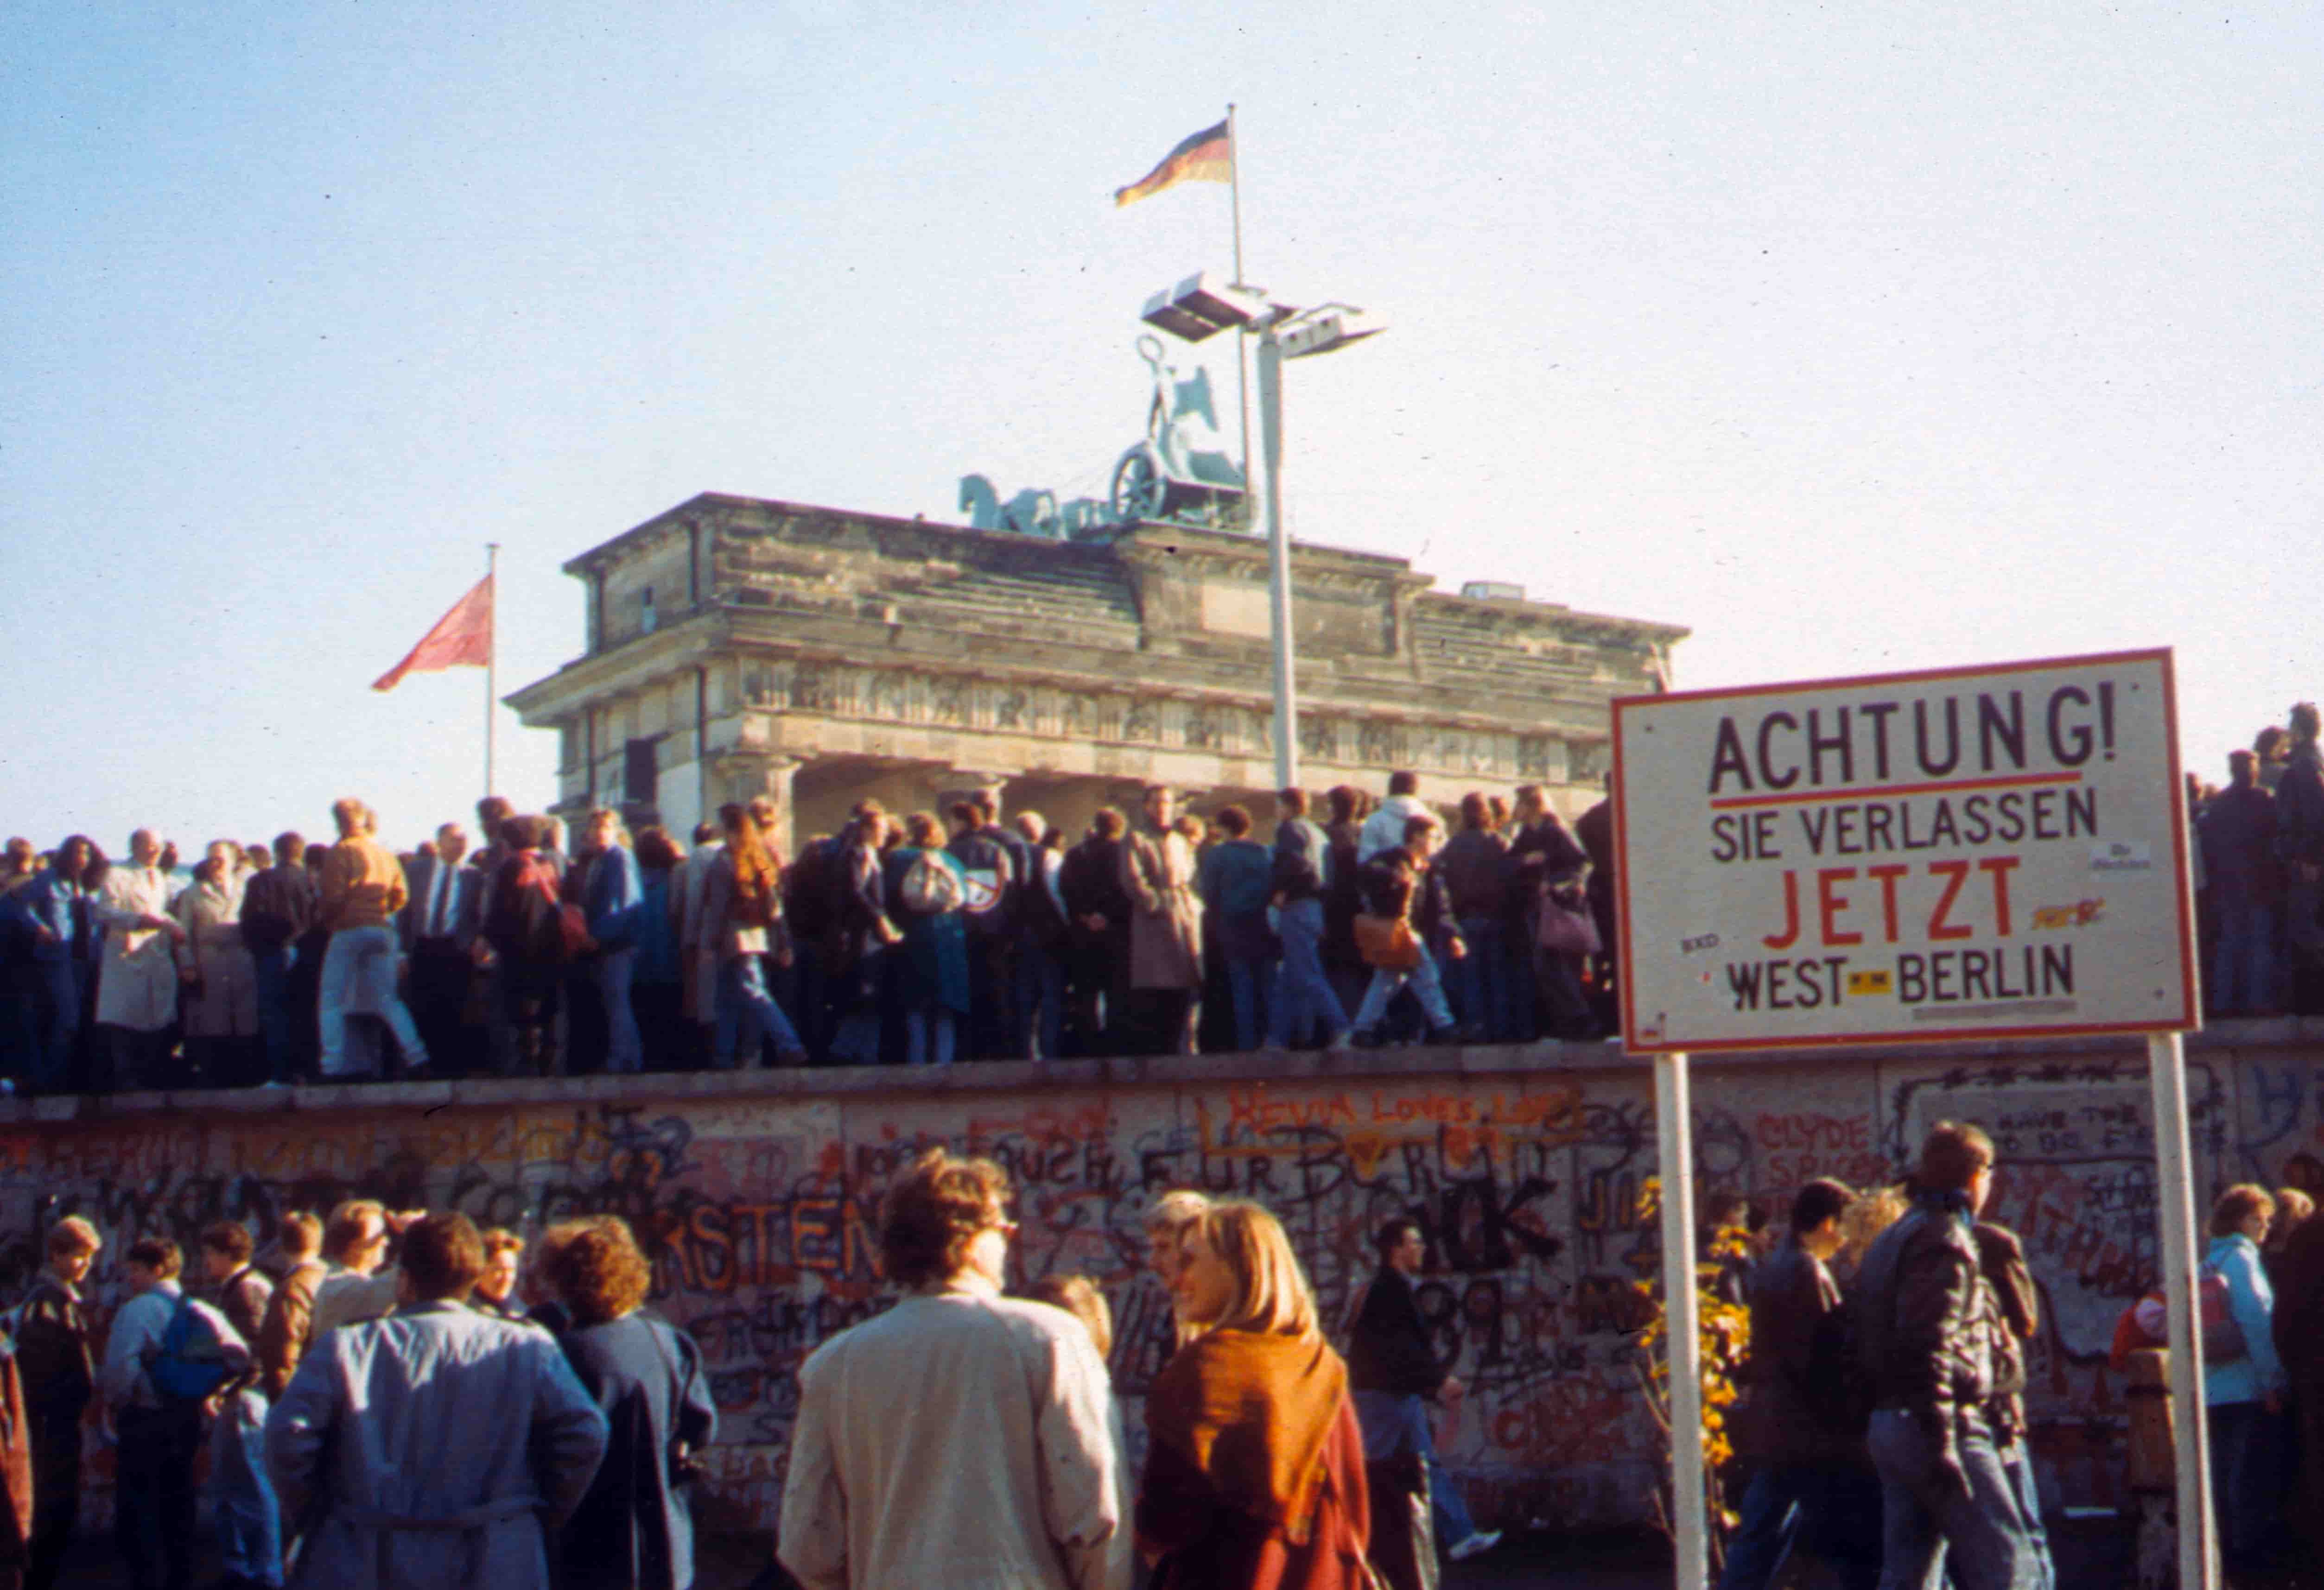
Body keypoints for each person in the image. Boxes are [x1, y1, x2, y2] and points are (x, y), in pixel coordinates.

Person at [777, 1148, 1130, 1590]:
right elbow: (1094, 1509)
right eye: (1002, 1228)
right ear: (969, 1239)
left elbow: (807, 1540)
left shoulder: (834, 1364)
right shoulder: (1050, 1338)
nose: (1009, 1240)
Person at [264, 1211, 610, 1590]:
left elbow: (286, 1437)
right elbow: (586, 1432)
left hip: (364, 1553)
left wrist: (316, 1514)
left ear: (404, 1278)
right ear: (474, 1276)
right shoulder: (527, 1345)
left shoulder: (347, 1346)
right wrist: (541, 1510)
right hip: (495, 1555)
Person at [1137, 1199, 1372, 1588]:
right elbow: (1355, 1515)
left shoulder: (1203, 1370)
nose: (1178, 1278)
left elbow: (1163, 1521)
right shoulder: (1324, 1366)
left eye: (1191, 1260)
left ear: (1236, 1266)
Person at [1849, 1123, 2039, 1590]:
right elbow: (1929, 1341)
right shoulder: (1945, 1237)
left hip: (1891, 1420)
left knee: (1910, 1574)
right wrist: (1943, 1440)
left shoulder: (1893, 1236)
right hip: (1942, 1421)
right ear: (1977, 1174)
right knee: (2010, 1566)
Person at [1717, 1179, 1879, 1590]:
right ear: (1827, 1223)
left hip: (1784, 1423)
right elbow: (1820, 1355)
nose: (1845, 1241)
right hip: (1807, 1427)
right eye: (1843, 1228)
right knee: (1842, 1532)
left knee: (1767, 1525)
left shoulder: (1780, 1263)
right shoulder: (1804, 1269)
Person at [544, 1218, 718, 1590]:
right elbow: (702, 1427)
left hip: (587, 1541)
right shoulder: (669, 1342)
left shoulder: (560, 1353)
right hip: (664, 1538)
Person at [1346, 1218, 1499, 1565]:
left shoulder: (1396, 1287)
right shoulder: (1389, 1290)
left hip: (1397, 1394)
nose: (1422, 1247)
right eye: (1414, 1242)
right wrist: (1438, 1381)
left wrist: (1432, 1381)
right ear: (1396, 1250)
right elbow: (1399, 1349)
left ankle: (1460, 1535)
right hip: (1381, 1396)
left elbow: (1405, 1348)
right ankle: (1346, 1537)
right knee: (1370, 1466)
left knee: (1425, 1464)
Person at [102, 1235, 251, 1590]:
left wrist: (132, 1397)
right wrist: (208, 1392)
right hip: (184, 1420)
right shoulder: (201, 1309)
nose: (130, 1278)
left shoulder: (137, 1310)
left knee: (139, 1515)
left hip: (144, 1422)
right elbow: (240, 1358)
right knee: (178, 1510)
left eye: (136, 1270)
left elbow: (118, 1370)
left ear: (156, 1270)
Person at [2204, 1183, 2292, 1584]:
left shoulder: (2209, 1259)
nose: (2266, 1228)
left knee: (2221, 1479)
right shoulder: (2242, 1260)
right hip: (2245, 1385)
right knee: (2249, 1480)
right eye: (2260, 1218)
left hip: (2212, 1388)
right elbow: (2257, 1320)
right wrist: (2272, 1380)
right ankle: (2249, 1566)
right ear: (2243, 1220)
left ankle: (2226, 1563)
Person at [316, 798, 430, 1080]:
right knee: (388, 999)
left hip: (349, 929)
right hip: (382, 930)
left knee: (331, 999)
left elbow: (332, 898)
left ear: (339, 821)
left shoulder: (340, 852)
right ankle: (417, 1057)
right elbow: (400, 895)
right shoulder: (384, 853)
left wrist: (331, 920)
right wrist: (380, 911)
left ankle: (332, 1066)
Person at [16, 1216, 100, 1590]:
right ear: (57, 1255)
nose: (87, 1265)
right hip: (51, 1428)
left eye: (89, 1257)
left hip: (54, 1425)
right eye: (80, 1256)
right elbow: (42, 1373)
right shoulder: (48, 1303)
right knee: (51, 1515)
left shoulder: (57, 1299)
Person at [198, 1220, 282, 1590]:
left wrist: (225, 1389)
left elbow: (255, 1353)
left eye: (209, 1253)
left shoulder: (247, 1289)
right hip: (241, 1394)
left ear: (224, 1254)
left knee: (250, 1484)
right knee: (233, 1484)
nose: (205, 1261)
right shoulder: (241, 1286)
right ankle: (244, 1566)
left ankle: (263, 1570)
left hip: (247, 1397)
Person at [1971, 1221, 2054, 1590]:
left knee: (2016, 1523)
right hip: (1995, 1410)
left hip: (1987, 1412)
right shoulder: (1987, 1246)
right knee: (2021, 1522)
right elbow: (2025, 1320)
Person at [701, 805, 805, 1069]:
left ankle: (789, 1044)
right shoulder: (759, 857)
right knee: (729, 996)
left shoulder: (723, 860)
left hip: (731, 937)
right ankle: (724, 1057)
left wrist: (710, 941)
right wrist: (783, 941)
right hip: (756, 936)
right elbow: (775, 906)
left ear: (729, 828)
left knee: (751, 992)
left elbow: (718, 906)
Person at [1349, 816, 1462, 1048]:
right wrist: (1395, 877)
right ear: (1417, 837)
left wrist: (1452, 934)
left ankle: (1362, 1029)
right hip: (1397, 929)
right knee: (1427, 977)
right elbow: (1367, 873)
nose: (1436, 842)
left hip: (1406, 930)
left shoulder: (1429, 869)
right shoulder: (1392, 859)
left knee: (1387, 981)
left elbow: (1441, 907)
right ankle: (1445, 1026)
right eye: (1433, 837)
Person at [3, 836, 100, 1094]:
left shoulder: (86, 886)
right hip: (56, 961)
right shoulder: (48, 880)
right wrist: (39, 927)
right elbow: (15, 904)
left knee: (76, 1022)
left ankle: (64, 1080)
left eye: (87, 854)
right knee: (62, 1021)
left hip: (83, 961)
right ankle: (48, 1081)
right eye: (78, 853)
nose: (82, 859)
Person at [93, 827, 184, 1090]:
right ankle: (125, 1078)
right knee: (123, 1017)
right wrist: (136, 920)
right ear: (134, 847)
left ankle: (150, 1075)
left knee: (155, 1016)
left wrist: (176, 927)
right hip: (126, 953)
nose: (156, 851)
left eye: (159, 846)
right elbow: (103, 911)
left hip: (154, 953)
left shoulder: (159, 876)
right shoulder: (118, 874)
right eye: (149, 846)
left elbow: (161, 912)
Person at [883, 812, 970, 1067]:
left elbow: (888, 898)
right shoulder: (953, 861)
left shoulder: (897, 859)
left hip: (913, 938)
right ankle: (944, 1063)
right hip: (948, 938)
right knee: (946, 1008)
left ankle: (916, 1062)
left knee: (915, 1007)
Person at [1123, 786, 1204, 1057]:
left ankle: (1180, 1050)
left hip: (1182, 917)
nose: (1162, 808)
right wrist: (1155, 904)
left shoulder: (1180, 841)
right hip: (1155, 921)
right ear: (1146, 806)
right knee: (1156, 988)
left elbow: (1189, 875)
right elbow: (1133, 879)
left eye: (1167, 803)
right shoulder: (1136, 839)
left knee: (1184, 987)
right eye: (1157, 803)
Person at [1268, 789, 1350, 1052]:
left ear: (1289, 806)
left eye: (1279, 806)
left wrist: (1282, 890)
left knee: (1307, 973)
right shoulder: (1318, 833)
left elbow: (1292, 863)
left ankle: (1341, 1028)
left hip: (1297, 906)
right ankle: (1277, 1039)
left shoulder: (1290, 830)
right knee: (1288, 978)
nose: (1277, 811)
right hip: (1315, 908)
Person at [2201, 749, 2282, 1017]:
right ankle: (2258, 1002)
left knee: (2230, 945)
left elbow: (2210, 848)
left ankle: (2224, 1004)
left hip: (2227, 884)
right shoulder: (2264, 800)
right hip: (2259, 882)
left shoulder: (2219, 805)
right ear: (2253, 770)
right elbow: (2275, 839)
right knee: (2259, 944)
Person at [400, 822, 485, 1075]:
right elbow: (403, 912)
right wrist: (401, 952)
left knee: (454, 1009)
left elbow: (479, 914)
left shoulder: (473, 876)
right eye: (454, 839)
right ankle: (424, 1068)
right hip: (422, 946)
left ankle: (451, 1069)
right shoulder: (416, 870)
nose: (461, 844)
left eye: (464, 839)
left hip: (455, 949)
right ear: (440, 842)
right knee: (422, 1007)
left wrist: (477, 940)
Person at [174, 841, 260, 1088]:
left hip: (242, 961)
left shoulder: (247, 889)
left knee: (245, 1021)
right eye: (211, 859)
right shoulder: (193, 892)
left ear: (233, 862)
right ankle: (215, 1078)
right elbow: (183, 933)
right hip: (209, 963)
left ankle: (246, 1077)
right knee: (213, 1022)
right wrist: (188, 965)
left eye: (221, 859)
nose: (215, 864)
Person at [1196, 806, 1277, 1052]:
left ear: (1225, 828)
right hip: (1263, 926)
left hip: (1232, 927)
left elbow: (1208, 894)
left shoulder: (1218, 855)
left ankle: (1246, 1045)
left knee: (1242, 987)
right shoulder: (1265, 853)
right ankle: (1272, 1040)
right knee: (1267, 987)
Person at [1436, 794, 1513, 1043]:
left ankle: (1476, 1027)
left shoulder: (1453, 845)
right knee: (1498, 977)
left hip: (1466, 917)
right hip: (1497, 916)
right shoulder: (1499, 842)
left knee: (1471, 978)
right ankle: (1501, 1029)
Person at [240, 834, 315, 1085]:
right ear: (300, 853)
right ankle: (307, 1071)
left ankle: (281, 1073)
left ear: (276, 853)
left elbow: (249, 921)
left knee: (275, 1014)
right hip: (308, 953)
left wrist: (259, 949)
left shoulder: (261, 880)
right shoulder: (312, 881)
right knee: (306, 1012)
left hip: (272, 952)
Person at [577, 808, 647, 1073]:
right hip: (604, 943)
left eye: (603, 827)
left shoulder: (619, 857)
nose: (598, 833)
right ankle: (626, 1057)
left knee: (618, 1000)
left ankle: (624, 1060)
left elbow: (623, 902)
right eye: (594, 828)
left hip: (618, 943)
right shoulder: (599, 860)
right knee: (613, 1001)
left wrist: (597, 935)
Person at [1060, 809, 1133, 1057]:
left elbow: (1066, 890)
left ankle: (1086, 1047)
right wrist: (1107, 917)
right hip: (1116, 934)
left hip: (1082, 934)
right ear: (1120, 829)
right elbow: (1127, 891)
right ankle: (1115, 1048)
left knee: (1085, 993)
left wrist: (1085, 915)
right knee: (1117, 994)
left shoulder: (1075, 855)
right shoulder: (1124, 854)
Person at [630, 827, 688, 1071]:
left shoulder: (634, 880)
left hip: (640, 964)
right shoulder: (675, 879)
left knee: (644, 1019)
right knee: (670, 1019)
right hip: (671, 962)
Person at [252, 1213, 326, 1402]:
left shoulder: (291, 1288)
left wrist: (283, 1404)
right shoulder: (332, 1278)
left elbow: (282, 1355)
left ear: (282, 1246)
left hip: (303, 1396)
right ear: (319, 1243)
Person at [1356, 772, 1430, 864]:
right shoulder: (1433, 821)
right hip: (1422, 876)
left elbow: (1365, 859)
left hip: (1383, 877)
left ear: (1390, 790)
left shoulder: (1375, 820)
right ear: (1416, 790)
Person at [472, 1228, 530, 1323]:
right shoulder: (465, 1312)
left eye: (511, 1270)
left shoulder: (521, 1312)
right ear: (481, 1270)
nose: (506, 1278)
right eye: (499, 1270)